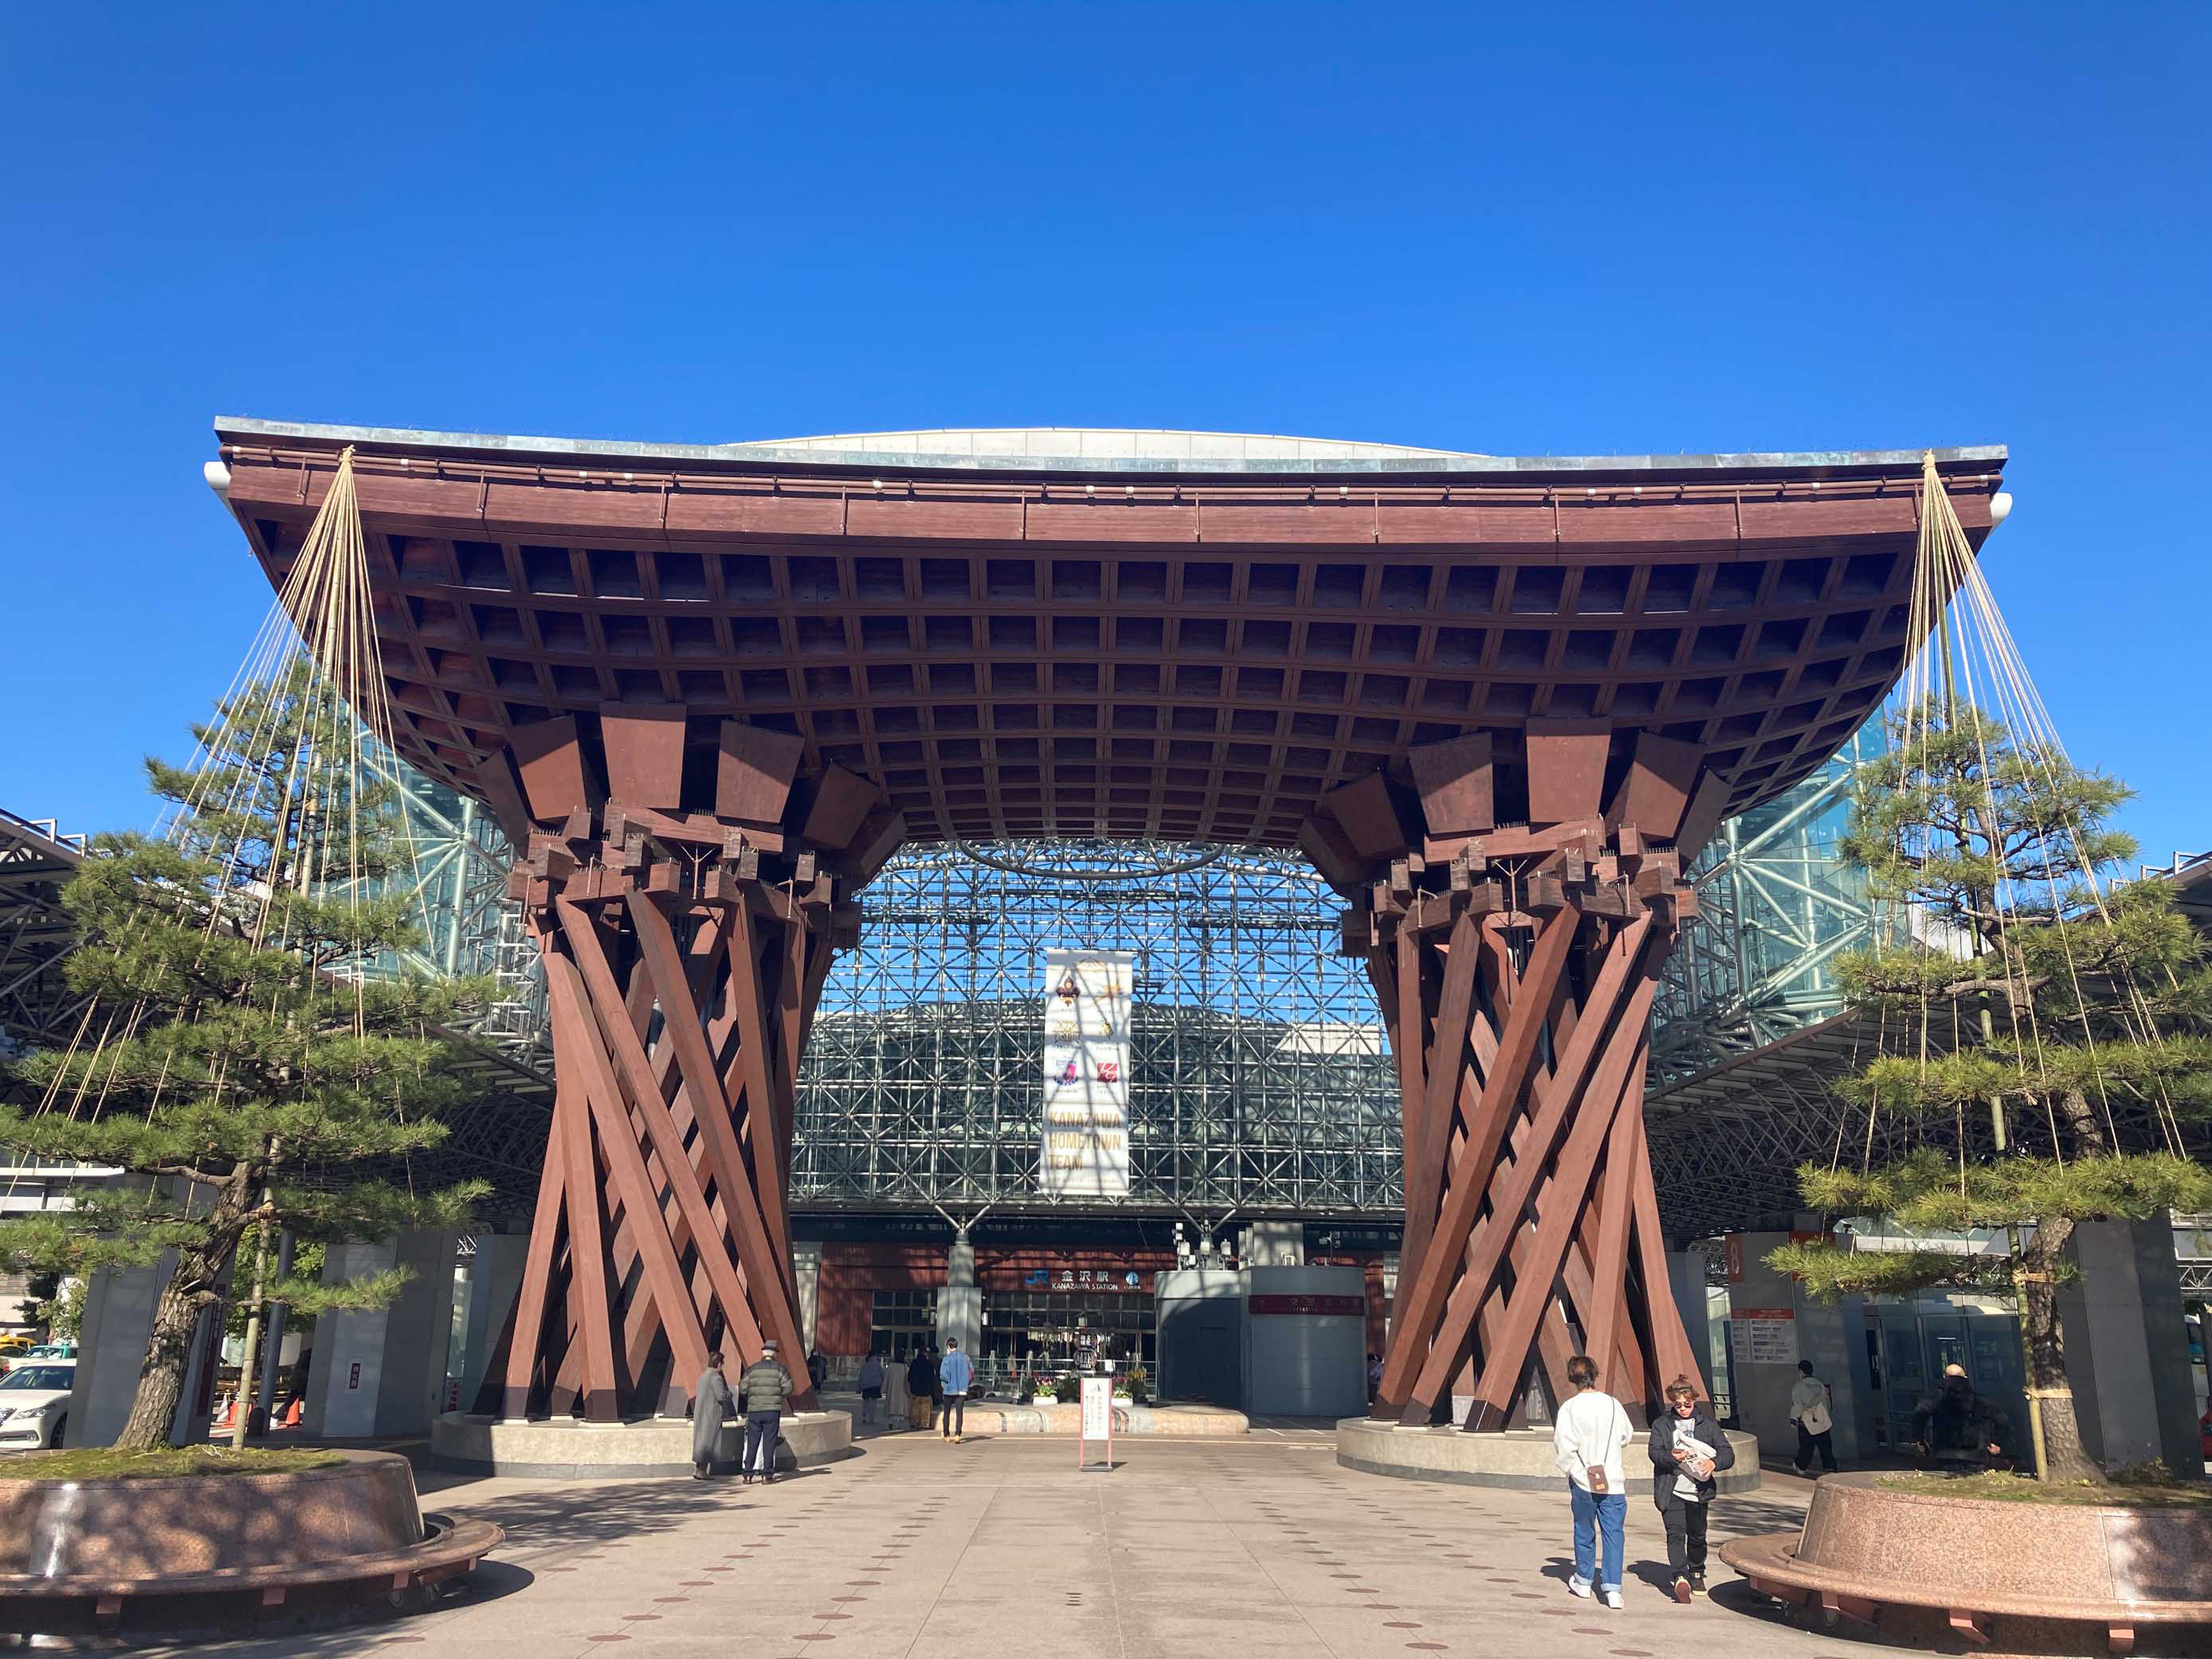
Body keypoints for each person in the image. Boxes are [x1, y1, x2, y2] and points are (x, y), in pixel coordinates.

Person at [1551, 1354, 1633, 1609]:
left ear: (1572, 1377)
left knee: (1584, 1530)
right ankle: (1613, 1589)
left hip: (1583, 1479)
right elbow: (1626, 1436)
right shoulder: (1613, 1404)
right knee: (1614, 1534)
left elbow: (1564, 1448)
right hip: (1613, 1479)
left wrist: (1576, 1471)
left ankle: (1584, 1580)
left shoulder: (1570, 1408)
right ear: (1595, 1375)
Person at [1649, 1375, 1734, 1602]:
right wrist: (1672, 1456)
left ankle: (1696, 1572)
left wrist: (1713, 1463)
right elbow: (1654, 1453)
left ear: (1694, 1401)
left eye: (1687, 1404)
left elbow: (1727, 1453)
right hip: (1672, 1489)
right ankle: (1680, 1576)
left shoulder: (1708, 1425)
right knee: (1675, 1534)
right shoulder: (1662, 1425)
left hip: (1699, 1491)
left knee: (1697, 1535)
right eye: (1678, 1405)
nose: (1683, 1409)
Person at [1911, 1363, 2007, 1476]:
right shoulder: (1978, 1399)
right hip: (1976, 1456)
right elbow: (2002, 1421)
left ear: (1944, 1377)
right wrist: (1996, 1442)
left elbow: (1920, 1412)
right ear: (1966, 1377)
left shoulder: (1937, 1397)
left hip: (1944, 1455)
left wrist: (1920, 1439)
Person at [737, 1338, 795, 1484]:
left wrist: (752, 1396)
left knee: (752, 1442)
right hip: (772, 1410)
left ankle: (748, 1475)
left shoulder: (752, 1369)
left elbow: (743, 1388)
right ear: (775, 1354)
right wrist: (777, 1395)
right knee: (769, 1443)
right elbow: (788, 1388)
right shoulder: (780, 1369)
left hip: (754, 1410)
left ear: (763, 1353)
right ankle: (767, 1475)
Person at [1790, 1359, 1838, 1475]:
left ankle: (1800, 1466)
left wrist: (1793, 1420)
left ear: (1801, 1372)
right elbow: (1826, 1402)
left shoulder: (1799, 1386)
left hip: (1807, 1422)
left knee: (1806, 1447)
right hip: (1821, 1420)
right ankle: (1830, 1468)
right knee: (1825, 1447)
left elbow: (1797, 1405)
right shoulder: (1820, 1384)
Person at [692, 1351, 735, 1480]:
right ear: (719, 1364)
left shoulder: (704, 1375)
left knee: (701, 1441)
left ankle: (698, 1470)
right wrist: (730, 1394)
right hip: (711, 1415)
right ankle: (702, 1471)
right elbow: (721, 1395)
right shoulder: (716, 1377)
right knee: (709, 1441)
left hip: (701, 1413)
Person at [939, 1337, 974, 1442]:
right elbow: (971, 1371)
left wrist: (945, 1384)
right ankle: (958, 1434)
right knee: (959, 1413)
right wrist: (966, 1383)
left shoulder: (946, 1359)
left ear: (948, 1347)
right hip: (962, 1389)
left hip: (949, 1389)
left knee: (947, 1412)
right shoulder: (965, 1357)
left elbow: (943, 1375)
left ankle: (947, 1435)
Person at [906, 1345, 937, 1431]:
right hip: (926, 1389)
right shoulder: (929, 1364)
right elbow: (932, 1377)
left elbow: (910, 1377)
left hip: (915, 1389)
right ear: (925, 1353)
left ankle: (914, 1423)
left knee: (914, 1407)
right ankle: (923, 1424)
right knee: (925, 1408)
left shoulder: (914, 1363)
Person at [883, 1344, 912, 1431]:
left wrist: (884, 1389)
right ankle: (897, 1424)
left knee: (891, 1407)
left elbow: (886, 1378)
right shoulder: (905, 1367)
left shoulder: (891, 1366)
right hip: (901, 1391)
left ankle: (890, 1423)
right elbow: (908, 1380)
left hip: (891, 1390)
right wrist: (909, 1392)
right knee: (899, 1409)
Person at [857, 1349, 886, 1427]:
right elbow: (883, 1375)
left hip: (866, 1386)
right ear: (875, 1356)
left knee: (865, 1402)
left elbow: (860, 1378)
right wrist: (883, 1386)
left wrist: (859, 1389)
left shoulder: (865, 1366)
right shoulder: (878, 1365)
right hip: (875, 1386)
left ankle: (864, 1417)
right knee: (873, 1402)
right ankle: (871, 1419)